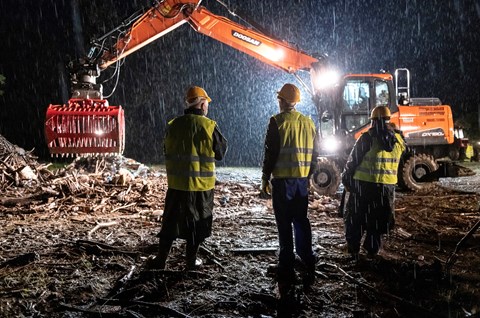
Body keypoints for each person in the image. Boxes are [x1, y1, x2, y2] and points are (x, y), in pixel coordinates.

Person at [150, 86, 228, 270]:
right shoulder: (209, 126)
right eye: (206, 104)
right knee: (197, 225)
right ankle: (190, 262)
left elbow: (165, 150)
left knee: (170, 223)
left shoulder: (173, 125)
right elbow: (220, 153)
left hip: (177, 186)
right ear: (202, 104)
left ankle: (161, 260)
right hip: (201, 187)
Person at [260, 83, 318, 299]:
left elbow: (270, 153)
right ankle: (307, 258)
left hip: (282, 182)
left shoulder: (277, 122)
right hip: (301, 181)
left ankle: (287, 265)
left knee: (284, 224)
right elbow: (315, 153)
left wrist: (265, 177)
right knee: (301, 220)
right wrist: (307, 175)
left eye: (279, 99)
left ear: (282, 101)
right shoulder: (308, 122)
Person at [341, 105, 406, 260]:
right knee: (377, 221)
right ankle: (372, 250)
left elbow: (353, 161)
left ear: (373, 121)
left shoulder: (367, 138)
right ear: (388, 119)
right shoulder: (399, 140)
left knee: (356, 219)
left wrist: (346, 178)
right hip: (386, 188)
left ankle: (353, 249)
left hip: (363, 186)